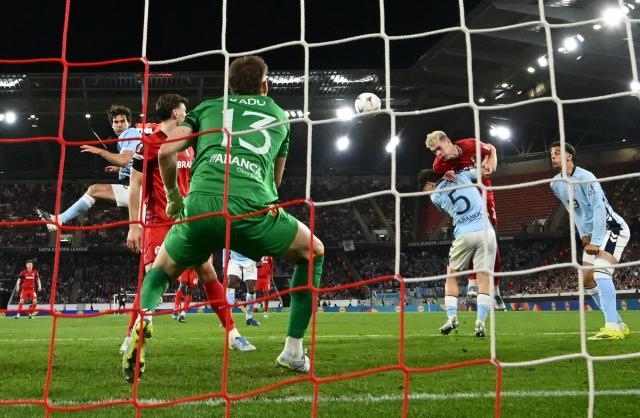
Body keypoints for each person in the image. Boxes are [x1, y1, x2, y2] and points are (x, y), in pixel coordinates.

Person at [122, 55, 324, 381]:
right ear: (264, 85)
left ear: (229, 86)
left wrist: (175, 198)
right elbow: (275, 182)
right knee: (313, 251)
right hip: (251, 210)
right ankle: (293, 350)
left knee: (159, 273)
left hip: (199, 209)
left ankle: (144, 317)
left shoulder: (208, 107)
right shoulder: (277, 115)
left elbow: (165, 151)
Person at [121, 93, 254, 370]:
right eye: (185, 110)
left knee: (208, 273)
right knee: (152, 277)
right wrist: (134, 224)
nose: (188, 114)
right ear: (177, 114)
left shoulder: (191, 143)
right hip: (158, 220)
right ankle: (130, 337)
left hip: (189, 220)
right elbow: (135, 185)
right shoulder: (148, 144)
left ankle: (233, 334)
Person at [549, 142, 631, 340]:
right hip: (591, 233)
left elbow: (598, 209)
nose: (553, 156)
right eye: (551, 154)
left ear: (570, 156)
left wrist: (594, 239)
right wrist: (582, 234)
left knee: (601, 271)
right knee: (587, 279)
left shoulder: (586, 178)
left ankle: (611, 328)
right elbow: (573, 211)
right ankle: (619, 323)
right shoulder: (555, 184)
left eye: (558, 153)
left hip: (612, 229)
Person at [425, 130, 506, 310]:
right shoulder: (438, 165)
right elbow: (434, 187)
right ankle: (472, 283)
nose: (437, 154)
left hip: (484, 195)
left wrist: (489, 162)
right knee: (471, 239)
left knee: (491, 243)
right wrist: (443, 180)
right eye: (433, 152)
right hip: (465, 206)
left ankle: (497, 290)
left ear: (447, 141)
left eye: (438, 148)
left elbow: (491, 148)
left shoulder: (470, 145)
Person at [36, 105, 141, 231]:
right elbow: (136, 162)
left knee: (94, 189)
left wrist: (100, 151)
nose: (119, 125)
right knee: (94, 189)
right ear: (112, 125)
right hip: (140, 189)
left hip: (141, 190)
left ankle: (58, 220)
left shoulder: (130, 133)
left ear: (129, 123)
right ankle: (58, 220)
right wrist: (119, 170)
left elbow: (125, 160)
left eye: (122, 121)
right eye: (115, 122)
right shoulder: (127, 137)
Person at [419, 168, 496, 337]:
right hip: (486, 231)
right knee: (484, 277)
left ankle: (452, 317)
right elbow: (484, 172)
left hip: (464, 234)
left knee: (451, 275)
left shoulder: (435, 197)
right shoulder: (462, 175)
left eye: (425, 190)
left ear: (430, 184)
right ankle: (480, 322)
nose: (427, 194)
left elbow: (443, 206)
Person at [223, 249, 261, 326]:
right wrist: (224, 265)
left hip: (250, 260)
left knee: (251, 289)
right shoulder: (232, 236)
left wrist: (260, 258)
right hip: (234, 260)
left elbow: (259, 240)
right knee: (232, 281)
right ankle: (228, 318)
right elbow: (225, 248)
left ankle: (249, 318)